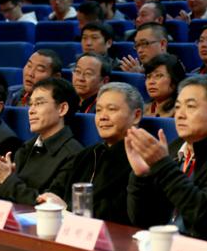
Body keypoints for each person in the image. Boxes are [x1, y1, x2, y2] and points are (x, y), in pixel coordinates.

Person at [126, 75, 207, 243]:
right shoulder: (173, 150)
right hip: (162, 247)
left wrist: (163, 166)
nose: (180, 115)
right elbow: (141, 220)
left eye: (190, 106)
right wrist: (141, 177)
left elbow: (204, 217)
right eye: (177, 107)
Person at [37, 82, 144, 226]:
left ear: (136, 116)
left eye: (112, 109)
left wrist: (67, 209)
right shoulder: (86, 154)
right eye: (98, 110)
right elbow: (56, 191)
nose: (102, 117)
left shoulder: (143, 160)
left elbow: (122, 215)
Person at [0, 78, 83, 205]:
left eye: (39, 103)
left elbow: (50, 205)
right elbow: (3, 199)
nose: (31, 110)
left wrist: (6, 180)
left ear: (62, 109)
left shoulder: (75, 155)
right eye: (31, 104)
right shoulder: (26, 147)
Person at [143, 53, 186, 118]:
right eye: (148, 77)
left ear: (174, 80)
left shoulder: (181, 112)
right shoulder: (142, 110)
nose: (151, 82)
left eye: (158, 76)